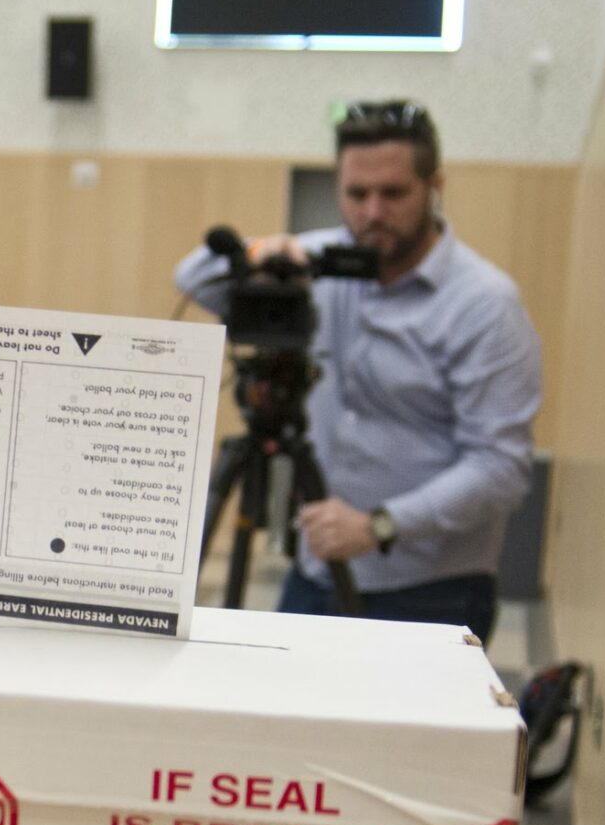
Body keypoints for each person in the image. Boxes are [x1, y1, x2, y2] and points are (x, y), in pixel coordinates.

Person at [174, 101, 541, 643]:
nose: (372, 212)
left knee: (405, 731)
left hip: (428, 586)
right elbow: (193, 278)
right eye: (355, 194)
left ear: (434, 185)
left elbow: (500, 468)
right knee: (283, 720)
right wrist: (259, 250)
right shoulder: (320, 259)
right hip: (316, 569)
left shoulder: (484, 305)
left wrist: (379, 527)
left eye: (393, 194)